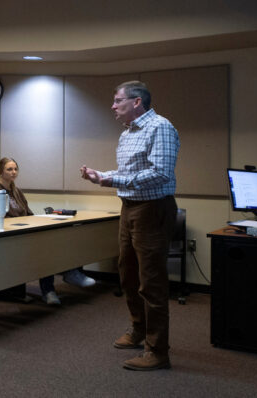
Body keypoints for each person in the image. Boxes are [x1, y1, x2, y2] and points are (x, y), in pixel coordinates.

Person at [80, 80, 179, 371]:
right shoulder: (127, 134)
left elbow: (160, 173)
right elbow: (129, 173)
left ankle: (158, 351)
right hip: (130, 207)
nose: (113, 106)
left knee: (152, 282)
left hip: (153, 209)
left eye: (118, 100)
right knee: (127, 273)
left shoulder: (160, 127)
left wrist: (112, 180)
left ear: (137, 102)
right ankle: (139, 330)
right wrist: (102, 175)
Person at [0, 157, 95, 305]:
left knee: (56, 237)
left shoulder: (17, 191)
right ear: (0, 171)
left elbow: (28, 214)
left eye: (15, 169)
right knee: (46, 247)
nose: (13, 172)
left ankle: (69, 271)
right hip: (8, 236)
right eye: (9, 169)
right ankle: (49, 289)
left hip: (23, 231)